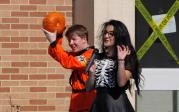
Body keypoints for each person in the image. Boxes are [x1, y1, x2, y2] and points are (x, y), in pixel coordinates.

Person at [85, 19, 142, 112]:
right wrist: (91, 74)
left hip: (116, 105)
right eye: (105, 33)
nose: (106, 36)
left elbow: (121, 82)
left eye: (111, 34)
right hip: (98, 104)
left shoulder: (128, 57)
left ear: (119, 36)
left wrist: (120, 61)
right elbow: (88, 88)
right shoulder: (98, 56)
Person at [42, 24, 96, 112]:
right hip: (77, 102)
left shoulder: (90, 56)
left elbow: (68, 62)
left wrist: (53, 42)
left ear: (84, 39)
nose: (70, 43)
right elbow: (55, 53)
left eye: (74, 39)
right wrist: (58, 37)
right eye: (69, 40)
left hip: (88, 103)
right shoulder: (77, 54)